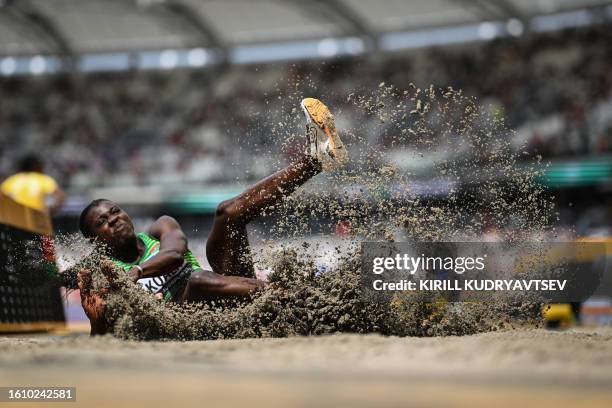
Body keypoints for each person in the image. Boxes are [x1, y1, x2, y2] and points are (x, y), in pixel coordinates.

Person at [74, 98, 348, 335]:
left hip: (232, 297)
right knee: (196, 280)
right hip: (198, 325)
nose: (113, 219)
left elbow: (175, 254)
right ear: (93, 241)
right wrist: (97, 323)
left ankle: (316, 161)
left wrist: (138, 271)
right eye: (101, 223)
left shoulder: (161, 227)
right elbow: (109, 336)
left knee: (226, 212)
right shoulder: (103, 275)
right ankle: (306, 300)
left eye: (115, 211)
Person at [1, 154, 65, 214]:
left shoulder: (11, 180)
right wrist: (50, 209)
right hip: (36, 217)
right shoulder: (42, 179)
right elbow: (60, 196)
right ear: (36, 166)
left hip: (15, 217)